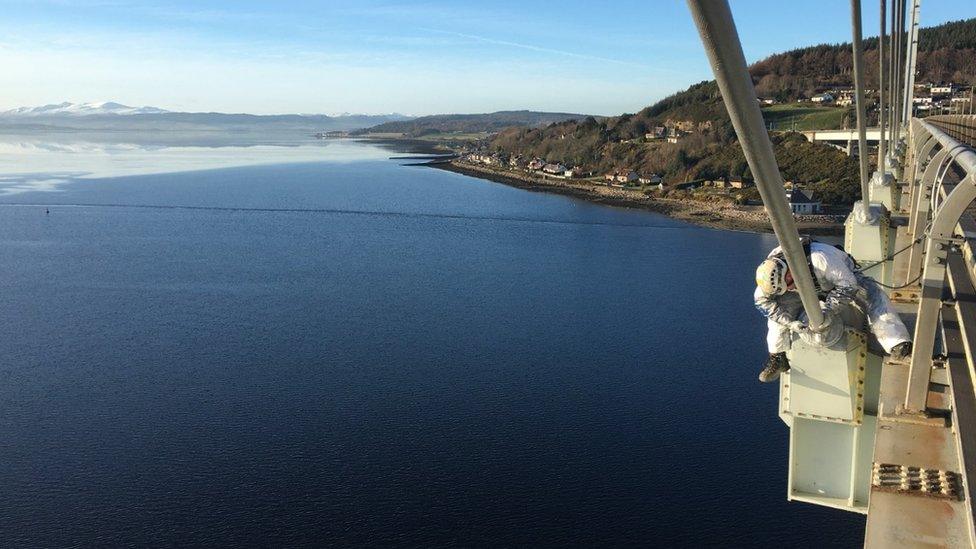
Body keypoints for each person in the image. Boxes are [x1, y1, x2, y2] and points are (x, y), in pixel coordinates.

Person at [754, 239, 912, 382]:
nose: (789, 288)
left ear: (788, 274)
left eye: (788, 285)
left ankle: (897, 344)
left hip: (838, 282)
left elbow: (849, 286)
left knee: (873, 295)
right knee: (778, 310)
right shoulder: (770, 273)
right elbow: (762, 302)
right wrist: (790, 323)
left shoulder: (822, 259)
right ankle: (778, 356)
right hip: (807, 288)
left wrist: (828, 311)